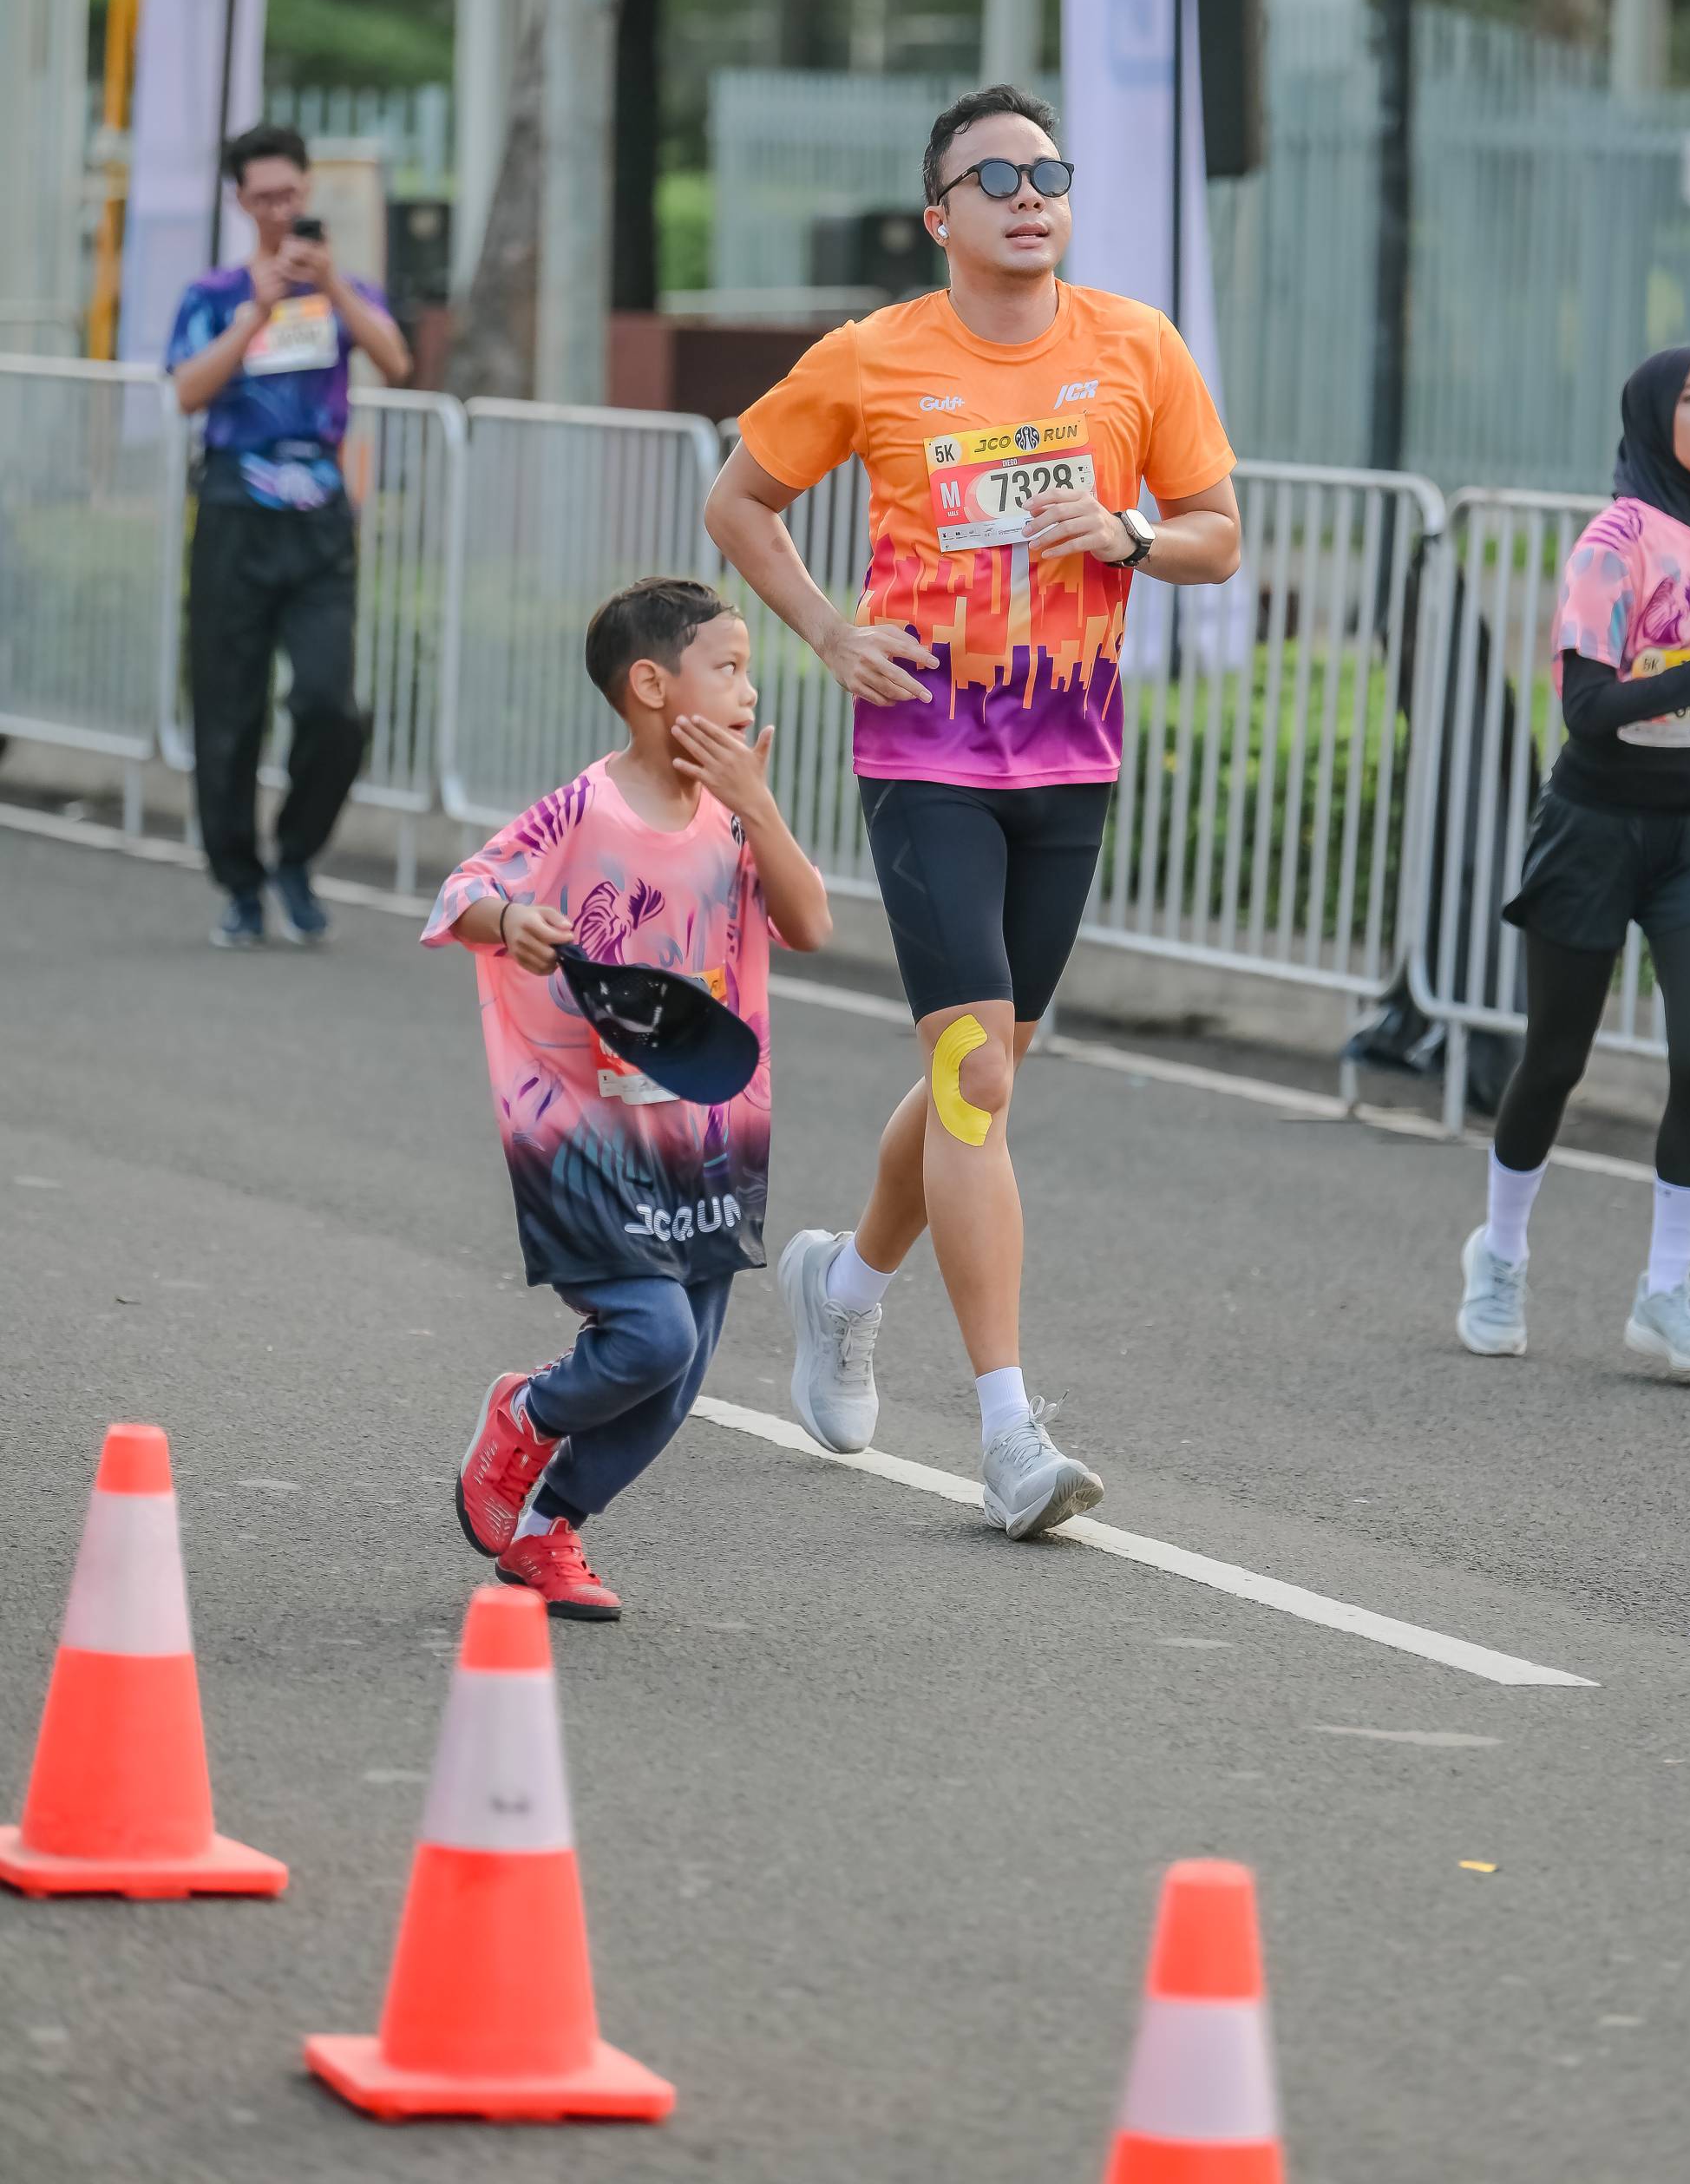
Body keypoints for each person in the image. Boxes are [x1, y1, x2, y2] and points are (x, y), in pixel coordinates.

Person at [705, 83, 1241, 1538]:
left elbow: (1218, 535)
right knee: (976, 1080)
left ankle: (843, 1286)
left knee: (985, 1070)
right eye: (993, 178)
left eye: (1046, 175)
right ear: (939, 216)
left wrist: (1129, 531)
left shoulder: (1136, 346)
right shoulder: (874, 356)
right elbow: (740, 501)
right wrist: (828, 632)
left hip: (1070, 761)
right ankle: (1009, 1432)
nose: (1027, 197)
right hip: (927, 754)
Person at [426, 578, 832, 1619]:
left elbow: (810, 924)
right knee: (652, 1338)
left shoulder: (735, 817)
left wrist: (759, 807)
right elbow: (465, 890)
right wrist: (510, 921)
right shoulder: (586, 810)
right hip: (588, 1135)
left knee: (677, 1376)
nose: (748, 691)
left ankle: (545, 1528)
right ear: (651, 686)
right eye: (726, 668)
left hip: (707, 1136)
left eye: (748, 671)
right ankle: (528, 1412)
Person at [1456, 341, 1690, 1370]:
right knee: (1554, 1062)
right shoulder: (1612, 543)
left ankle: (1664, 1290)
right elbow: (1584, 709)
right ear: (1652, 414)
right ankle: (1498, 1252)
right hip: (1593, 826)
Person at [167, 122, 411, 951]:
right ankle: (239, 885)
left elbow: (396, 360)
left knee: (329, 702)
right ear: (240, 202)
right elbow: (187, 392)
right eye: (263, 197)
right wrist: (255, 315)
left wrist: (330, 284)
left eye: (290, 195)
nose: (279, 209)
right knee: (228, 711)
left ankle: (296, 857)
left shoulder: (345, 290)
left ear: (307, 193)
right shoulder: (213, 295)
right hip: (234, 514)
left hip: (319, 522)